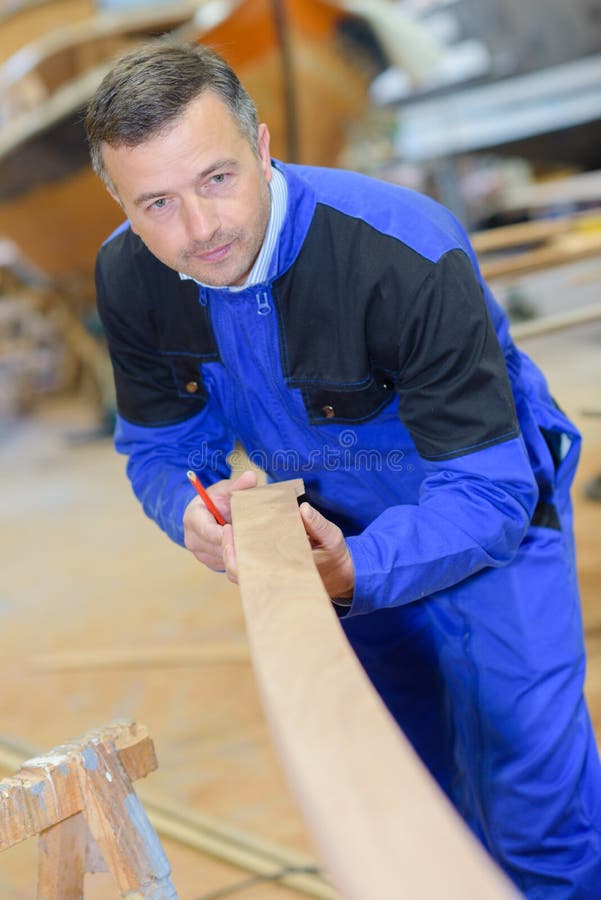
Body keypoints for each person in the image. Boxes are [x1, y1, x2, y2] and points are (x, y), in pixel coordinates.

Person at [85, 40, 601, 897]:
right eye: (157, 203)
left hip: (488, 540)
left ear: (261, 147)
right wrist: (189, 510)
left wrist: (354, 566)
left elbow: (490, 489)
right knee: (409, 795)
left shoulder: (401, 251)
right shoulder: (131, 275)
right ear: (122, 203)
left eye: (217, 178)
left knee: (536, 814)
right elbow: (163, 447)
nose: (199, 229)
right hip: (333, 548)